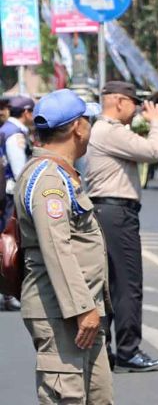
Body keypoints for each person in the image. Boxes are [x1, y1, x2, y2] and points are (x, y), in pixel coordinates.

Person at [15, 89, 112, 403]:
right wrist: (83, 309)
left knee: (98, 397)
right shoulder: (49, 180)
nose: (89, 127)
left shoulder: (60, 174)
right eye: (88, 119)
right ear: (77, 127)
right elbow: (56, 247)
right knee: (67, 398)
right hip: (63, 312)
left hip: (79, 308)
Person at [84, 81, 158, 373]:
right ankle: (129, 350)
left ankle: (106, 350)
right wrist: (156, 123)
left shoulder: (105, 130)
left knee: (109, 286)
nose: (137, 109)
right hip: (117, 213)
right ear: (119, 102)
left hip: (107, 212)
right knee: (128, 284)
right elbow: (154, 151)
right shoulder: (110, 131)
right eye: (134, 102)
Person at [0, 96, 34, 311]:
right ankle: (8, 292)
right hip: (11, 195)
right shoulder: (15, 134)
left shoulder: (8, 129)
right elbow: (21, 172)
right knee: (10, 243)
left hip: (5, 194)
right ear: (26, 112)